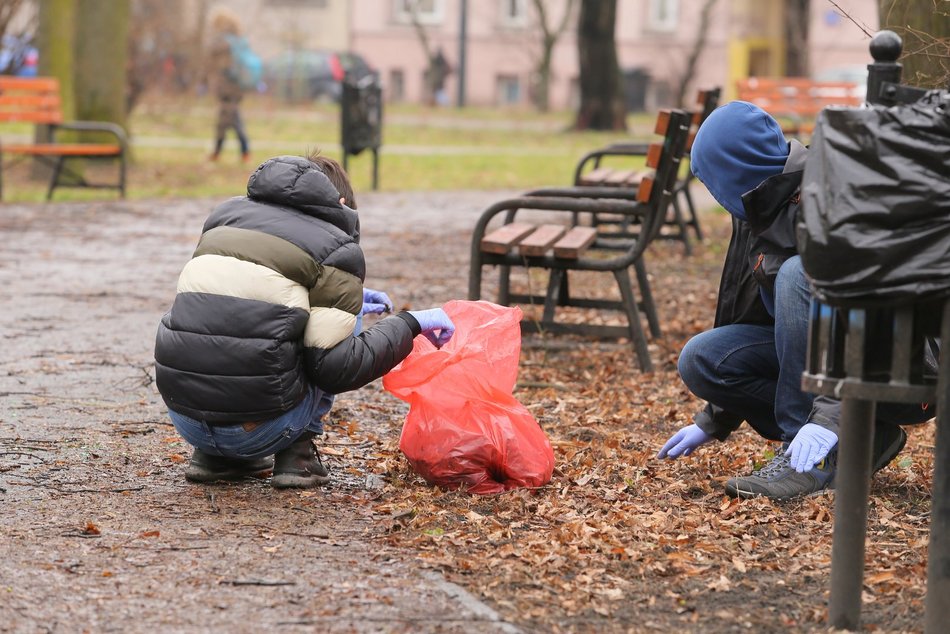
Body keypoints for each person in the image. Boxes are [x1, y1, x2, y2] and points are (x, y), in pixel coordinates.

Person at [656, 101, 932, 500]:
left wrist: (827, 419)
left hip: (900, 360)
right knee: (703, 359)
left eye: (713, 180)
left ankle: (805, 460)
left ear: (736, 169)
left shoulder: (834, 198)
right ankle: (866, 437)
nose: (714, 194)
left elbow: (873, 315)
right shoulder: (757, 204)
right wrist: (713, 419)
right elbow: (745, 311)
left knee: (798, 275)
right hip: (829, 363)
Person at [153, 151, 456, 488]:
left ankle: (215, 459)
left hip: (186, 420)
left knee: (237, 322)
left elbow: (242, 303)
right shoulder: (335, 246)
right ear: (339, 202)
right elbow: (337, 369)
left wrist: (350, 296)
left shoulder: (225, 218)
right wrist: (410, 323)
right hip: (258, 430)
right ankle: (296, 456)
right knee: (334, 337)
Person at [207, 9, 251, 162]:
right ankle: (223, 152)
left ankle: (238, 151)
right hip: (236, 88)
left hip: (228, 89)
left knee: (227, 120)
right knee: (230, 119)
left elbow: (212, 54)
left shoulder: (224, 42)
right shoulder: (239, 40)